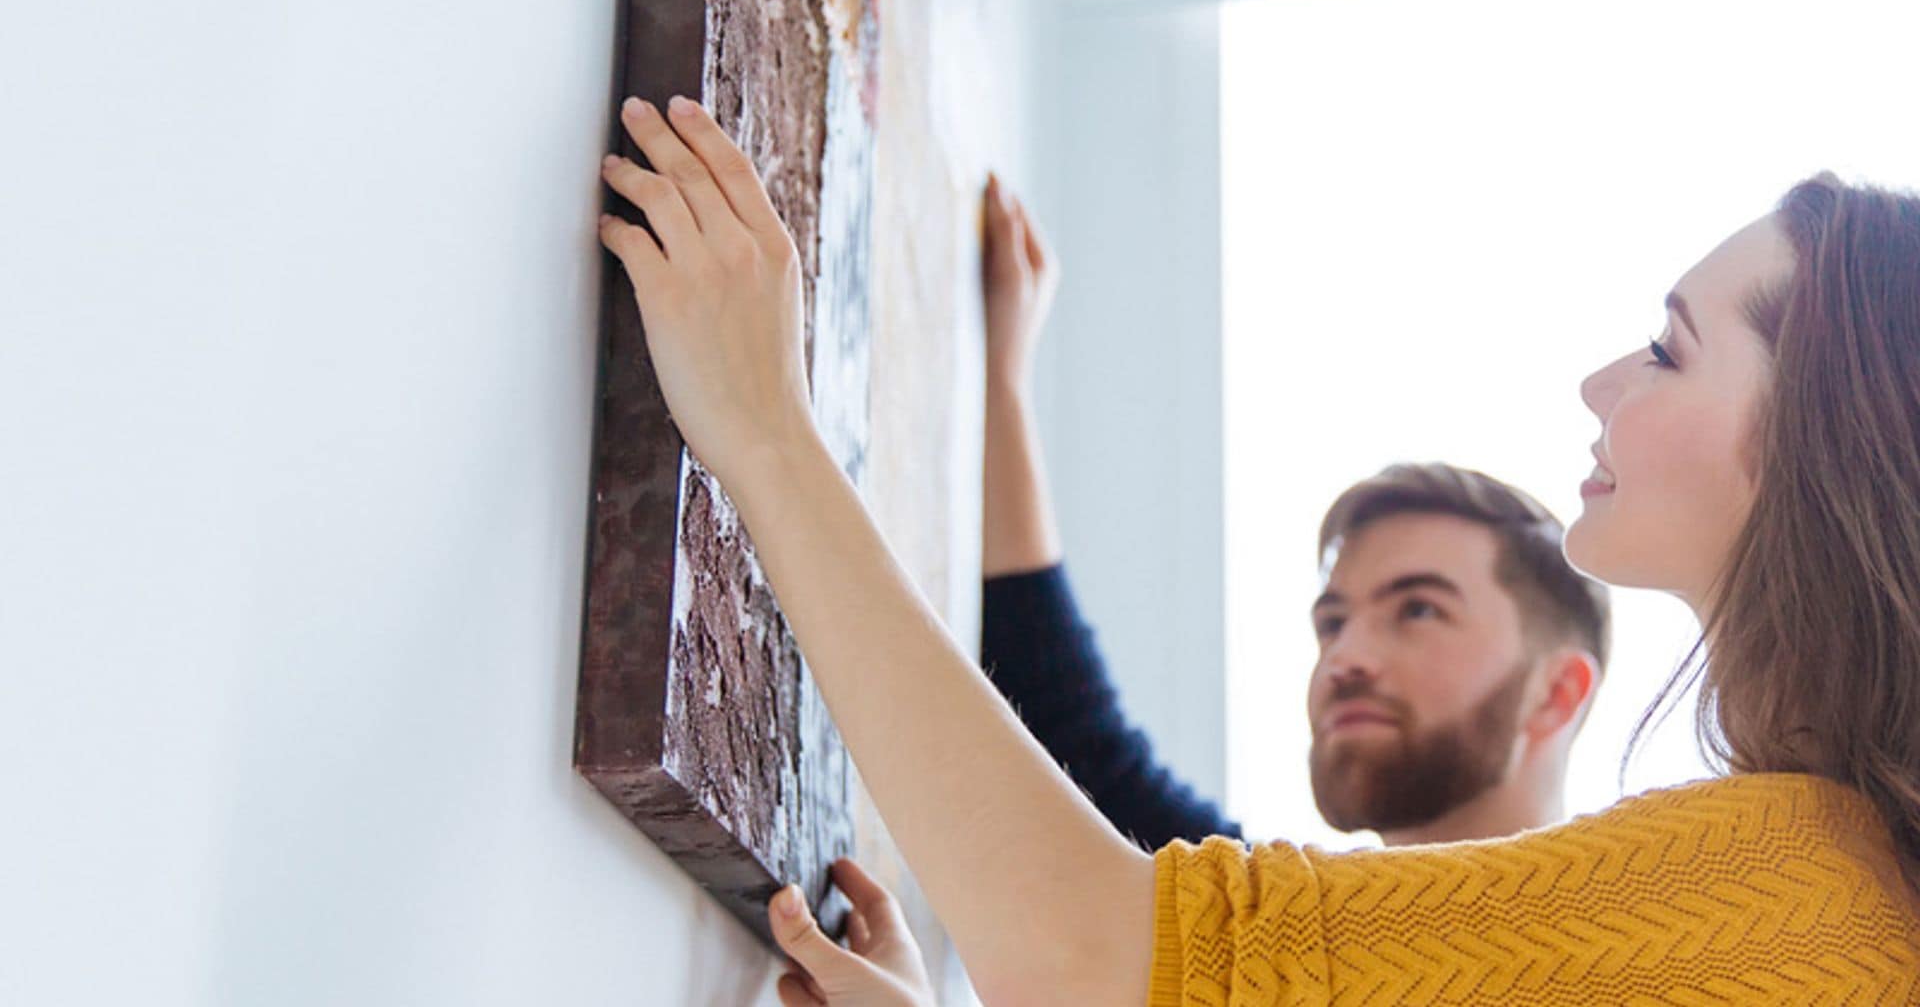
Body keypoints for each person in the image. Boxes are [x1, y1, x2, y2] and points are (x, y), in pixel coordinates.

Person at [596, 94, 1920, 1005]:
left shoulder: (1806, 879)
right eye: (1331, 617)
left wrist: (763, 427)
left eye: (1670, 346)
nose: (1599, 382)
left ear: (1823, 438)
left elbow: (1086, 958)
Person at [973, 177, 1611, 851]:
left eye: (1418, 609)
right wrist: (1003, 379)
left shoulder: (1640, 948)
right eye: (1331, 622)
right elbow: (1072, 745)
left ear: (1556, 693)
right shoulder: (1278, 932)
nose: (1344, 658)